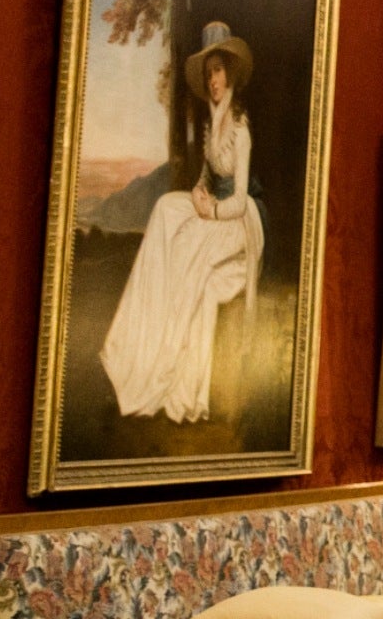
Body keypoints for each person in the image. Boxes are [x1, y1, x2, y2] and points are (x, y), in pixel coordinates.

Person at [100, 21, 264, 424]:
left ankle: (167, 371)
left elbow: (239, 199)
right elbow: (208, 178)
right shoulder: (211, 126)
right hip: (214, 207)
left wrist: (211, 211)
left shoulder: (240, 130)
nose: (214, 81)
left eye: (219, 71)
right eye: (209, 74)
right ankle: (137, 340)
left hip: (242, 220)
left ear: (231, 75)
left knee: (188, 247)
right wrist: (196, 194)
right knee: (165, 209)